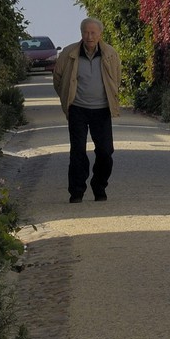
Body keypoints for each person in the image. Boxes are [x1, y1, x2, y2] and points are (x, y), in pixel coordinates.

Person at [52, 16, 123, 204]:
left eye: (93, 33)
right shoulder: (69, 54)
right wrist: (68, 98)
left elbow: (116, 78)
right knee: (77, 151)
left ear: (100, 34)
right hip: (78, 109)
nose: (89, 36)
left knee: (105, 152)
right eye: (85, 32)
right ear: (81, 33)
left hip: (101, 110)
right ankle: (76, 192)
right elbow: (58, 80)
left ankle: (99, 186)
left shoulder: (110, 54)